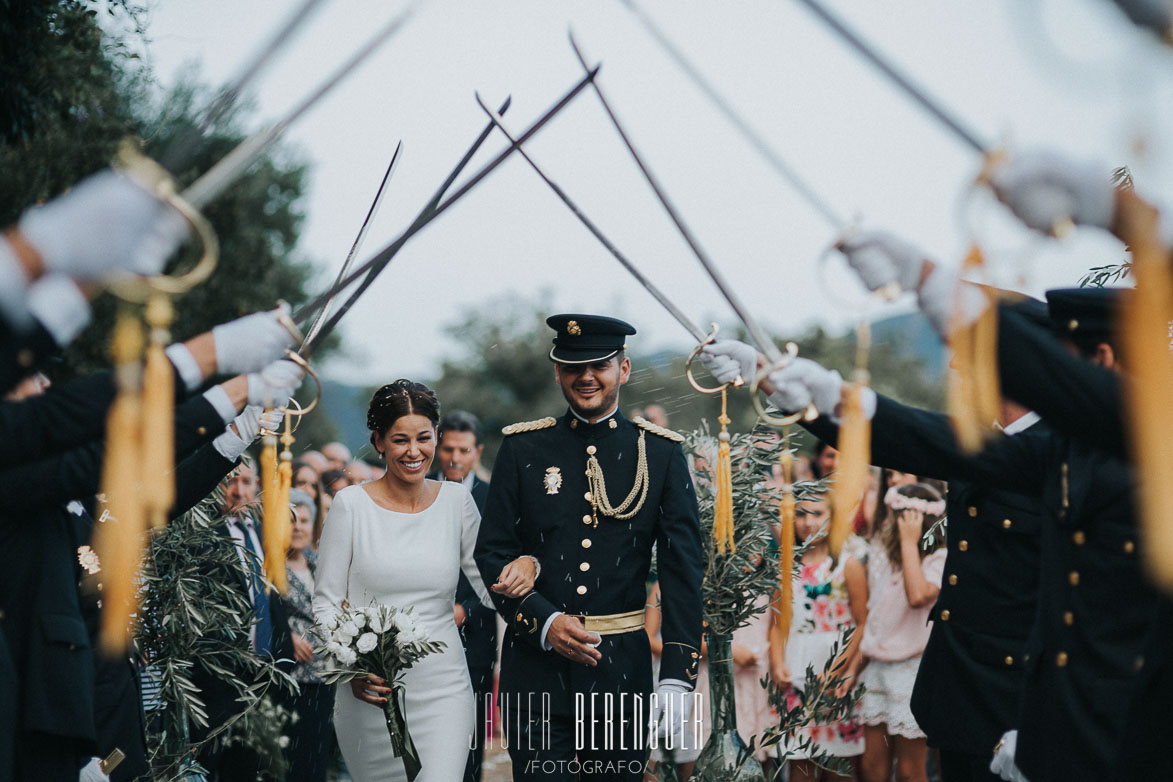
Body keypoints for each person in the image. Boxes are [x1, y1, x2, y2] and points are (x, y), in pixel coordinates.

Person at [475, 314, 705, 782]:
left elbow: (683, 571)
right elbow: (493, 553)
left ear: (623, 369)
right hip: (535, 671)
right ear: (557, 371)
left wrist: (679, 675)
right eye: (572, 366)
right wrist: (545, 622)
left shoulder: (658, 454)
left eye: (599, 365)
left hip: (620, 672)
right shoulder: (523, 450)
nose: (586, 377)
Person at [312, 380, 530, 782]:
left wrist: (529, 567)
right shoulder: (350, 506)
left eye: (424, 438)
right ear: (378, 441)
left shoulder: (457, 502)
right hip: (368, 694)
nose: (415, 452)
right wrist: (354, 667)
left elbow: (488, 586)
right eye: (400, 440)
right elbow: (325, 601)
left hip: (444, 688)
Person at [769, 493, 866, 782]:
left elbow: (862, 623)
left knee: (838, 768)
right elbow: (776, 626)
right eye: (801, 514)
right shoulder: (785, 570)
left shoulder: (848, 566)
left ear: (833, 518)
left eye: (817, 513)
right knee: (801, 765)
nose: (808, 522)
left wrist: (838, 669)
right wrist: (776, 664)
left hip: (833, 672)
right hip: (796, 671)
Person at [856, 483, 947, 782]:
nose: (890, 525)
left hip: (911, 672)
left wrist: (910, 543)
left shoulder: (939, 559)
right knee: (872, 766)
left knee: (909, 772)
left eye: (898, 519)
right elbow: (873, 622)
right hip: (878, 669)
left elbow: (918, 595)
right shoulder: (891, 563)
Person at [428, 410, 495, 782]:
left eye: (464, 450)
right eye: (449, 448)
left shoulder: (493, 497)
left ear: (477, 451)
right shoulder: (418, 488)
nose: (455, 458)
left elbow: (496, 565)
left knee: (468, 736)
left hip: (476, 637)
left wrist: (466, 609)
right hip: (420, 633)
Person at [280, 489, 334, 782]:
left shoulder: (320, 563)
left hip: (325, 676)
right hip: (291, 679)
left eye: (304, 520)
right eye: (291, 520)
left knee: (317, 757)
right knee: (292, 761)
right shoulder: (269, 567)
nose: (298, 527)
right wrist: (285, 633)